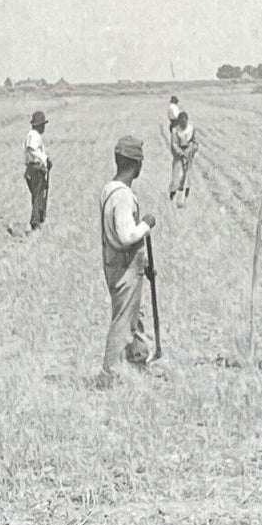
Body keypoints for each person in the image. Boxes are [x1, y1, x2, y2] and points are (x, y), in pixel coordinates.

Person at [96, 135, 157, 388]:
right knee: (123, 319)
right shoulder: (123, 196)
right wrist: (146, 224)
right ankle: (109, 375)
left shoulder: (109, 189)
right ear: (135, 164)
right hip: (125, 265)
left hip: (114, 263)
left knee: (134, 315)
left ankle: (138, 361)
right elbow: (126, 236)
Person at [24, 111, 52, 230]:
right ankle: (35, 221)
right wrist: (45, 159)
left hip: (33, 169)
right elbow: (32, 149)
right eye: (43, 125)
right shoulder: (34, 135)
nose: (44, 128)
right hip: (35, 169)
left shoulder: (31, 135)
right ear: (39, 125)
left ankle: (37, 218)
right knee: (38, 195)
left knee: (37, 195)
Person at [169, 110, 198, 207]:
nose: (183, 123)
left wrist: (192, 150)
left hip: (188, 154)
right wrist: (181, 153)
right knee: (177, 176)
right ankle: (172, 197)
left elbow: (195, 142)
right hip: (179, 156)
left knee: (187, 177)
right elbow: (174, 144)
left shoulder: (191, 129)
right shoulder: (175, 130)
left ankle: (184, 199)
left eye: (185, 121)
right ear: (179, 121)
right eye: (181, 121)